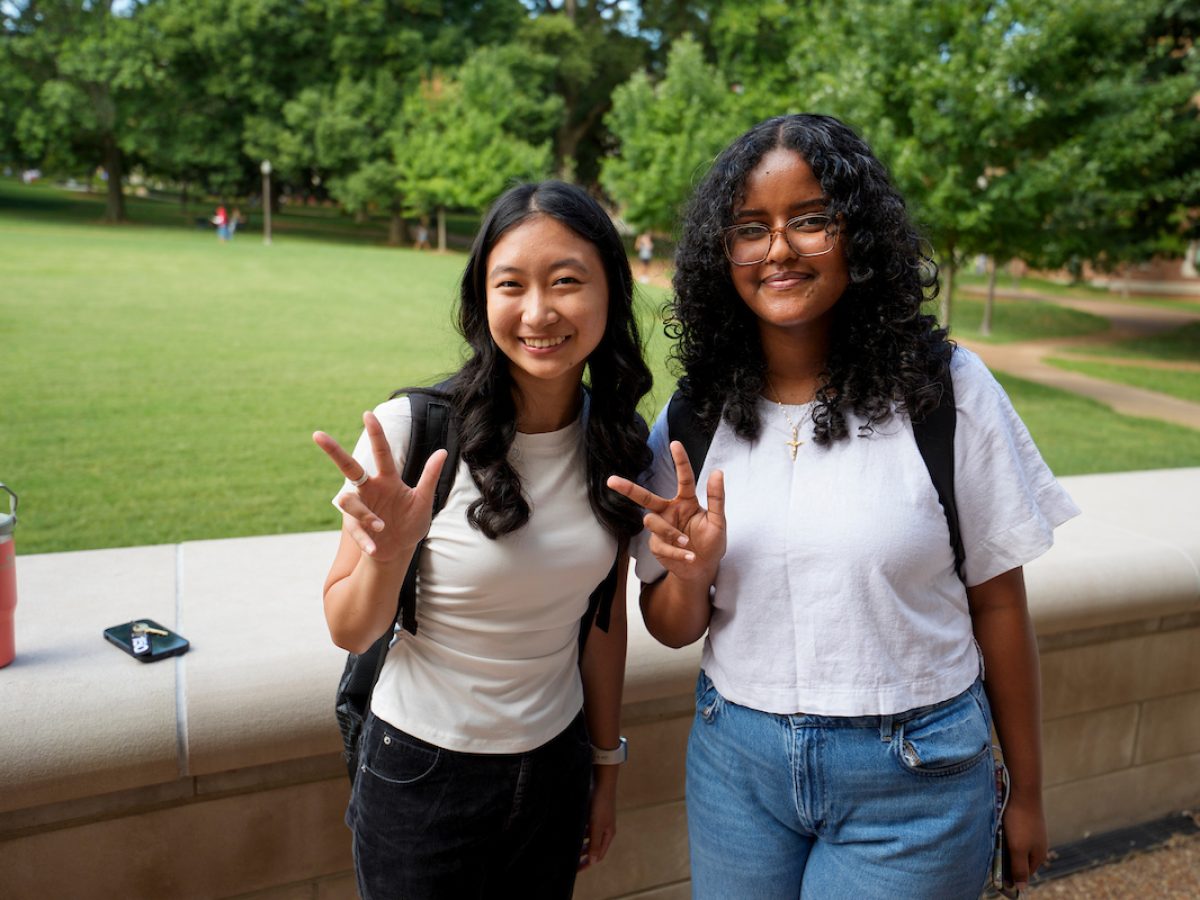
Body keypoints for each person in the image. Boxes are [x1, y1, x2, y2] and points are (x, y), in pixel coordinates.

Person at [607, 114, 1079, 899]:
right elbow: (670, 623)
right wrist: (692, 572)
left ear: (858, 235)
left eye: (812, 220)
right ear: (722, 253)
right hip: (736, 771)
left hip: (915, 778)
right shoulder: (696, 413)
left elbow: (999, 602)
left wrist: (1026, 794)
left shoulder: (947, 389)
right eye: (751, 228)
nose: (779, 249)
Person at [313, 180, 652, 899]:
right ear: (482, 298)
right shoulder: (413, 431)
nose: (539, 312)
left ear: (609, 295)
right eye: (512, 284)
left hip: (556, 771)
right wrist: (388, 552)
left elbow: (602, 621)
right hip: (421, 775)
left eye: (567, 282)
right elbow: (350, 627)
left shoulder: (618, 441)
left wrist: (605, 768)